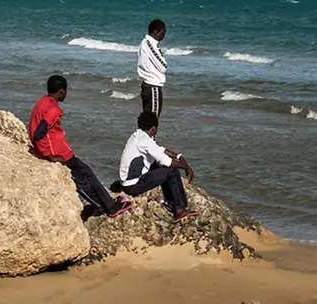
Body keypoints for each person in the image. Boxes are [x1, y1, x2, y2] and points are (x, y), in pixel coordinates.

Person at [29, 75, 134, 218]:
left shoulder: (41, 102)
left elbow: (34, 129)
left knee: (87, 171)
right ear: (61, 91)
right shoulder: (54, 109)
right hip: (58, 153)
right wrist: (49, 156)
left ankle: (108, 202)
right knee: (80, 182)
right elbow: (38, 133)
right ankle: (105, 206)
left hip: (60, 150)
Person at [116, 111, 199, 221]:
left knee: (157, 165)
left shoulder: (138, 136)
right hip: (134, 186)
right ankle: (180, 210)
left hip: (128, 183)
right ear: (154, 129)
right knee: (171, 171)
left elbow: (159, 150)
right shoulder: (145, 140)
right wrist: (186, 167)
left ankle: (172, 202)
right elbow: (167, 162)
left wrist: (178, 156)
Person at [137, 19, 167, 116]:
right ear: (155, 32)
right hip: (152, 85)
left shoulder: (147, 43)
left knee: (149, 121)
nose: (164, 35)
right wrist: (162, 56)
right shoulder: (149, 43)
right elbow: (163, 67)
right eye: (163, 32)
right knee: (152, 122)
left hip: (150, 86)